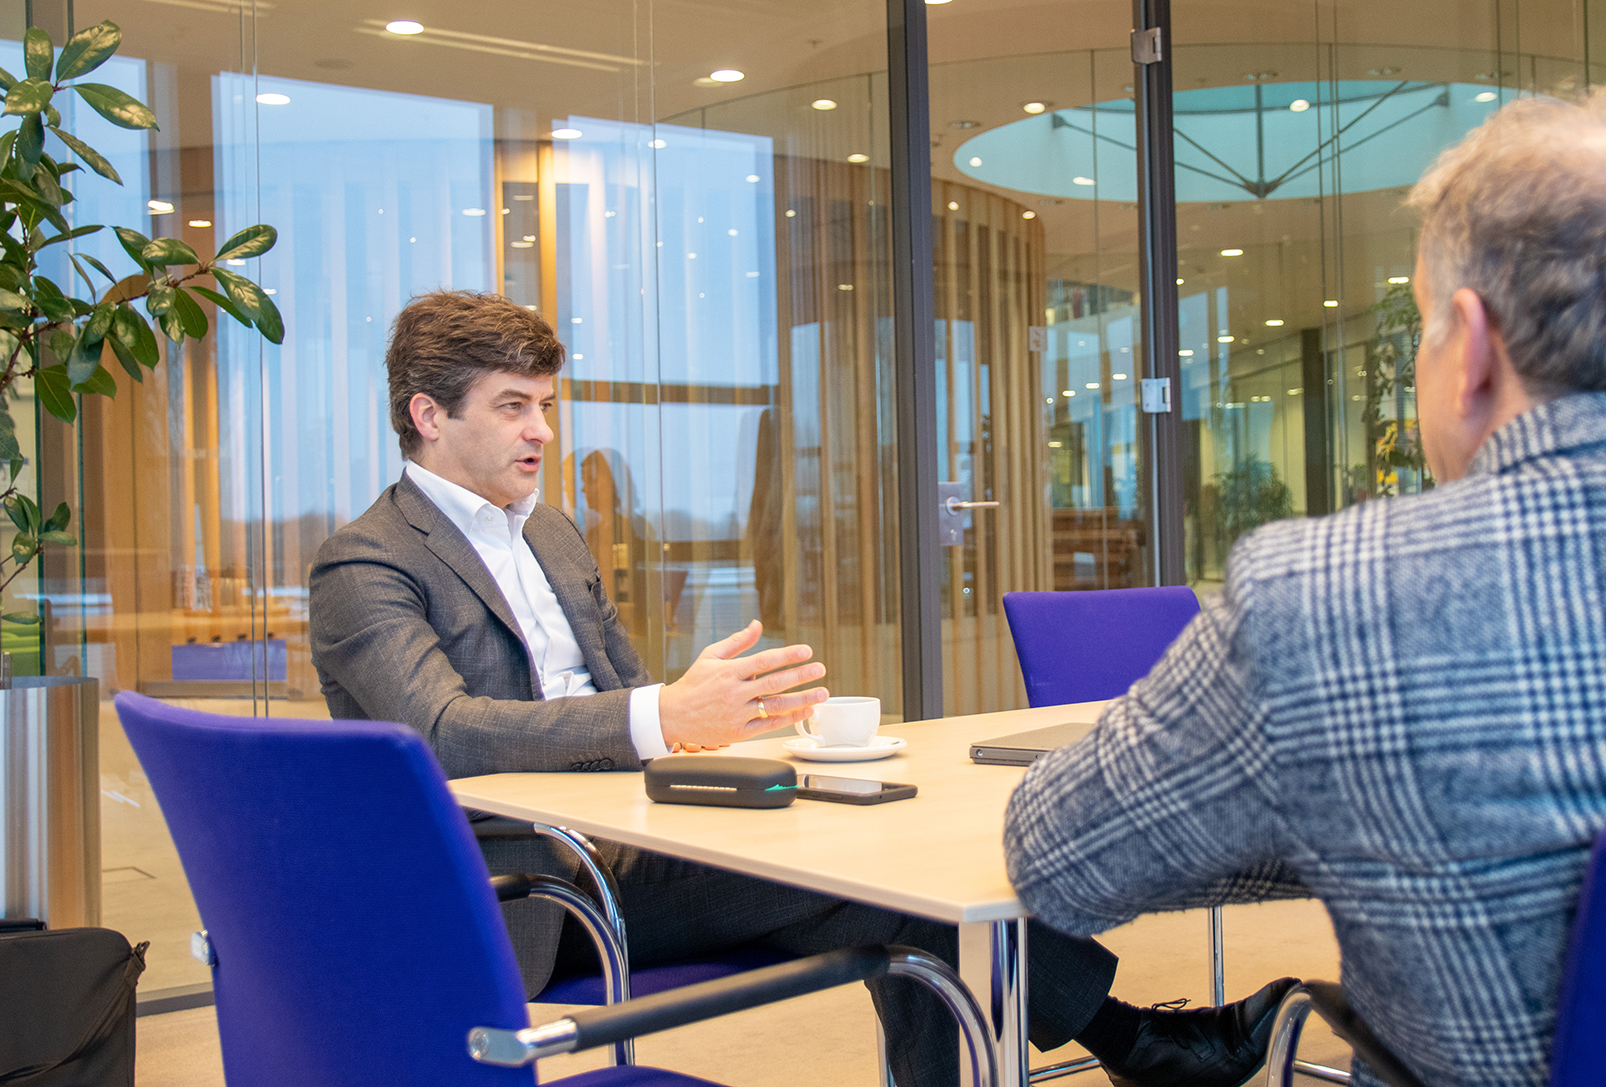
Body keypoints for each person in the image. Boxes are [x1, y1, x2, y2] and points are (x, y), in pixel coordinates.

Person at [1004, 86, 1606, 1087]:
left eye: (1420, 326)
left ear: (1468, 347)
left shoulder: (1324, 601)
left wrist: (1333, 804)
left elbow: (1057, 857)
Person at [309, 290, 1292, 1087]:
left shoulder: (553, 536)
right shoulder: (368, 562)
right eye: (513, 407)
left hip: (632, 831)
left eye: (547, 405)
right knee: (909, 896)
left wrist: (725, 715)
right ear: (428, 416)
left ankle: (1141, 1046)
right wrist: (661, 715)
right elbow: (438, 734)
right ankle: (1136, 1041)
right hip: (525, 887)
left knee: (884, 854)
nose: (543, 432)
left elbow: (631, 695)